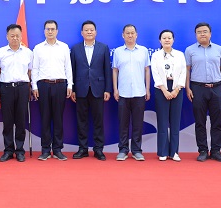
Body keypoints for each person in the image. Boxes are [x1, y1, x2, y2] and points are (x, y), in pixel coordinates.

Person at [185, 22, 221, 163]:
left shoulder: (219, 49)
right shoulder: (190, 50)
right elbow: (187, 70)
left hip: (217, 88)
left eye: (205, 31)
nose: (202, 34)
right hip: (198, 88)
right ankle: (203, 150)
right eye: (199, 32)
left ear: (210, 33)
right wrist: (187, 88)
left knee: (217, 122)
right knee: (200, 121)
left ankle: (216, 150)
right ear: (195, 35)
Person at [70, 20, 112, 161]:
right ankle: (82, 149)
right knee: (81, 121)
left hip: (98, 89)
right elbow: (72, 70)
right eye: (86, 30)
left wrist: (107, 89)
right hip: (80, 89)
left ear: (96, 32)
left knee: (98, 121)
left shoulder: (103, 48)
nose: (89, 32)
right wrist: (73, 89)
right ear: (82, 33)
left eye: (91, 30)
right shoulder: (75, 49)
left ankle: (98, 149)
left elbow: (107, 70)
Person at [31, 20, 73, 161]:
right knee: (45, 118)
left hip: (60, 85)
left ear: (57, 31)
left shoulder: (64, 47)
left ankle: (57, 149)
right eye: (48, 29)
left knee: (58, 118)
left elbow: (68, 67)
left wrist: (70, 85)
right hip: (43, 85)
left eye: (52, 29)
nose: (50, 31)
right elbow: (35, 68)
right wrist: (34, 86)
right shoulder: (38, 48)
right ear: (44, 31)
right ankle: (45, 150)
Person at [0, 24, 33, 162]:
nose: (15, 38)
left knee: (21, 121)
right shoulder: (1, 52)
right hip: (6, 88)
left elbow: (30, 72)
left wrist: (29, 88)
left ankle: (20, 150)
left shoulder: (28, 52)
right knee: (8, 121)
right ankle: (8, 150)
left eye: (17, 36)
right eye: (12, 36)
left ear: (21, 36)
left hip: (22, 88)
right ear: (7, 37)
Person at [112, 24, 150, 161]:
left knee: (138, 123)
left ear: (136, 35)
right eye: (127, 33)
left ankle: (136, 150)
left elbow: (147, 70)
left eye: (132, 33)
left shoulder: (143, 51)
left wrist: (147, 89)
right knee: (123, 123)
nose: (130, 35)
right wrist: (115, 89)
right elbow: (115, 70)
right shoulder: (118, 51)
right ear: (123, 35)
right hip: (123, 92)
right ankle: (123, 150)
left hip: (139, 92)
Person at [150, 30, 186, 161]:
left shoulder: (180, 55)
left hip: (177, 88)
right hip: (161, 89)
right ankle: (163, 152)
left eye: (169, 38)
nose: (167, 40)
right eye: (164, 38)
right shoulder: (156, 55)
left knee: (175, 121)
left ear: (173, 40)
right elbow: (155, 73)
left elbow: (183, 72)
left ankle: (174, 152)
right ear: (160, 40)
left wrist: (177, 89)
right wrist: (164, 90)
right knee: (162, 121)